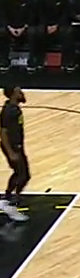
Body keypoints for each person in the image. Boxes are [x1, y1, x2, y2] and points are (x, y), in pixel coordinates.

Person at [1, 85, 28, 222]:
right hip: (12, 147)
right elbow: (3, 133)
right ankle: (10, 203)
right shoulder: (8, 111)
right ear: (13, 94)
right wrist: (10, 152)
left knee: (21, 174)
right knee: (22, 175)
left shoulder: (14, 108)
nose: (22, 93)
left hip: (17, 146)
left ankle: (8, 199)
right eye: (19, 92)